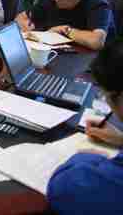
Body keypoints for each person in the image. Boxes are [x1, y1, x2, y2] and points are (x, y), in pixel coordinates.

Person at [47, 38, 123, 214]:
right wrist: (120, 139)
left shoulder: (100, 181)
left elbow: (64, 189)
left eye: (107, 96)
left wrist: (86, 157)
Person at [16, 0, 115, 50]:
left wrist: (66, 30)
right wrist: (25, 25)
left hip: (91, 59)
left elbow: (97, 41)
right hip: (56, 51)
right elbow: (21, 17)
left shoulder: (97, 4)